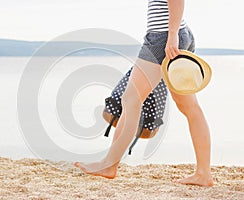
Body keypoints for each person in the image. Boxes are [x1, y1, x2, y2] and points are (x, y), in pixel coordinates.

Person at [74, 0, 214, 187]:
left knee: (131, 100)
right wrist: (175, 34)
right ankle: (204, 174)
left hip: (163, 37)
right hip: (180, 33)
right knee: (190, 107)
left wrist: (171, 35)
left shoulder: (166, 35)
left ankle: (109, 165)